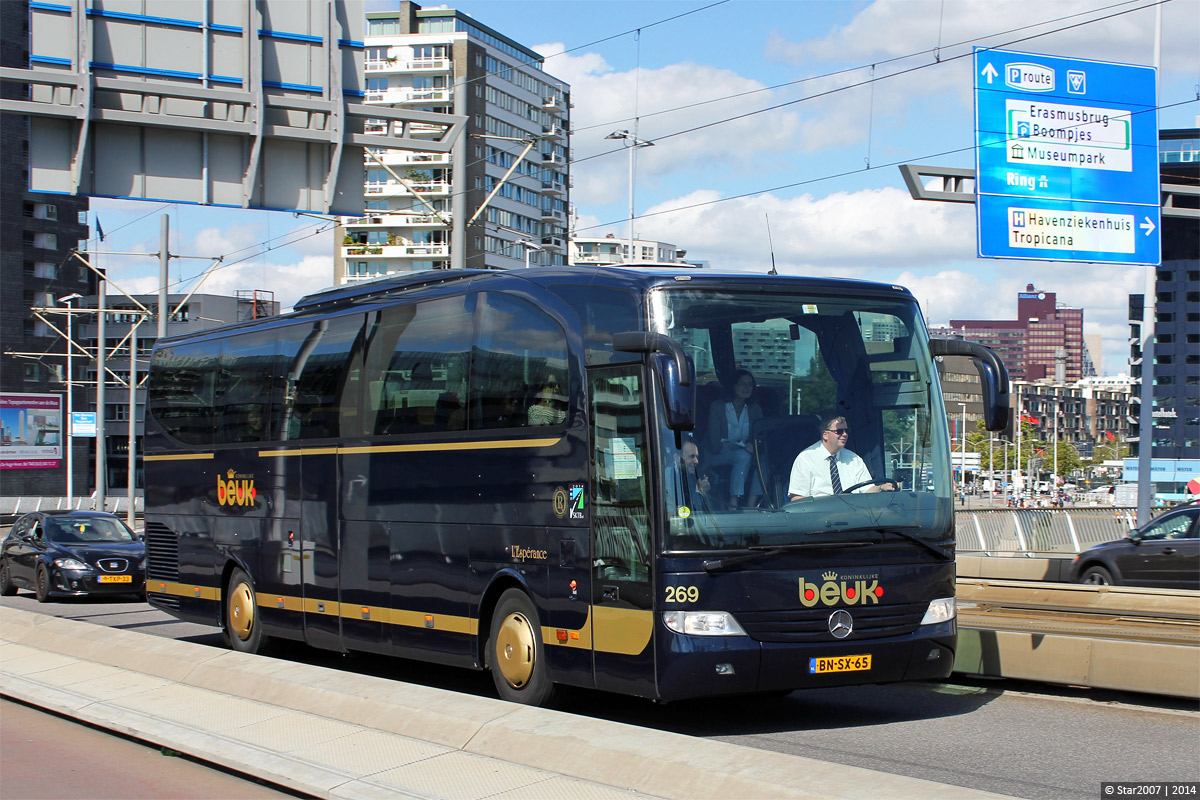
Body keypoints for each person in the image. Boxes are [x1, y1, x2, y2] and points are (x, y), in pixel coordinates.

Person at [788, 415, 894, 500]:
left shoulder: (854, 459)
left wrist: (882, 488)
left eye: (846, 431)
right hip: (820, 520)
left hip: (852, 517)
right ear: (825, 434)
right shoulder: (806, 459)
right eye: (839, 431)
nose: (844, 434)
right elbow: (797, 498)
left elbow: (867, 490)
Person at [706, 368, 763, 507]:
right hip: (717, 453)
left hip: (742, 454)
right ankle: (734, 500)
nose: (747, 387)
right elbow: (714, 443)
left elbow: (761, 436)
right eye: (742, 383)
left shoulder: (754, 409)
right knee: (742, 455)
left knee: (744, 456)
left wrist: (753, 445)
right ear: (733, 385)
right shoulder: (718, 407)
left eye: (750, 384)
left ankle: (734, 500)